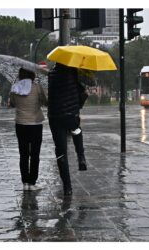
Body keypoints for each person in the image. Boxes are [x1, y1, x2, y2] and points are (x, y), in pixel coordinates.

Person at [47, 63, 88, 196]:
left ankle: (67, 187)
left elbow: (50, 95)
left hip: (55, 116)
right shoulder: (73, 72)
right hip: (72, 115)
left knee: (61, 152)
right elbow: (83, 92)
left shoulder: (51, 74)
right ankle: (81, 156)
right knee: (76, 130)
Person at [9, 68, 47, 191]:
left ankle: (25, 182)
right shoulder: (37, 87)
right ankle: (32, 182)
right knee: (35, 154)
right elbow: (44, 101)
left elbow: (13, 103)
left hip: (20, 124)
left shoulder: (15, 88)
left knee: (23, 154)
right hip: (35, 124)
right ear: (32, 74)